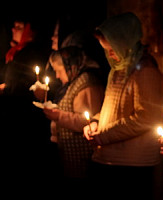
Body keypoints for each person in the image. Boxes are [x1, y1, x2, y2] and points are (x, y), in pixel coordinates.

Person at [82, 12, 163, 200]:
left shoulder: (145, 70)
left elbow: (146, 117)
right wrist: (95, 122)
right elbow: (111, 108)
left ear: (126, 41)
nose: (110, 53)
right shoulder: (118, 70)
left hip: (132, 163)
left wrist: (104, 136)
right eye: (106, 49)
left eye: (112, 48)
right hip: (112, 158)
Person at [42, 46, 105, 195]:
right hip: (70, 157)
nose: (57, 76)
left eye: (59, 70)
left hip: (82, 158)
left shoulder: (87, 83)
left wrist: (59, 116)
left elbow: (87, 120)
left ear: (71, 65)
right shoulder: (73, 81)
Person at [0, 16, 53, 189]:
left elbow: (25, 85)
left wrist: (6, 89)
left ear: (30, 30)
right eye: (13, 26)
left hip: (24, 120)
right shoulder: (16, 52)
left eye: (19, 26)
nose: (14, 30)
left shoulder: (31, 53)